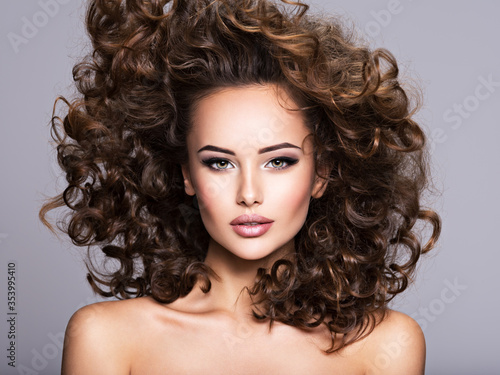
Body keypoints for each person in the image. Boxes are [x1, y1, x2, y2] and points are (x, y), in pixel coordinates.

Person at [40, 0, 441, 373]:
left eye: (278, 161)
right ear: (187, 175)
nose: (249, 193)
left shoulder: (384, 346)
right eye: (220, 163)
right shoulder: (106, 339)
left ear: (322, 174)